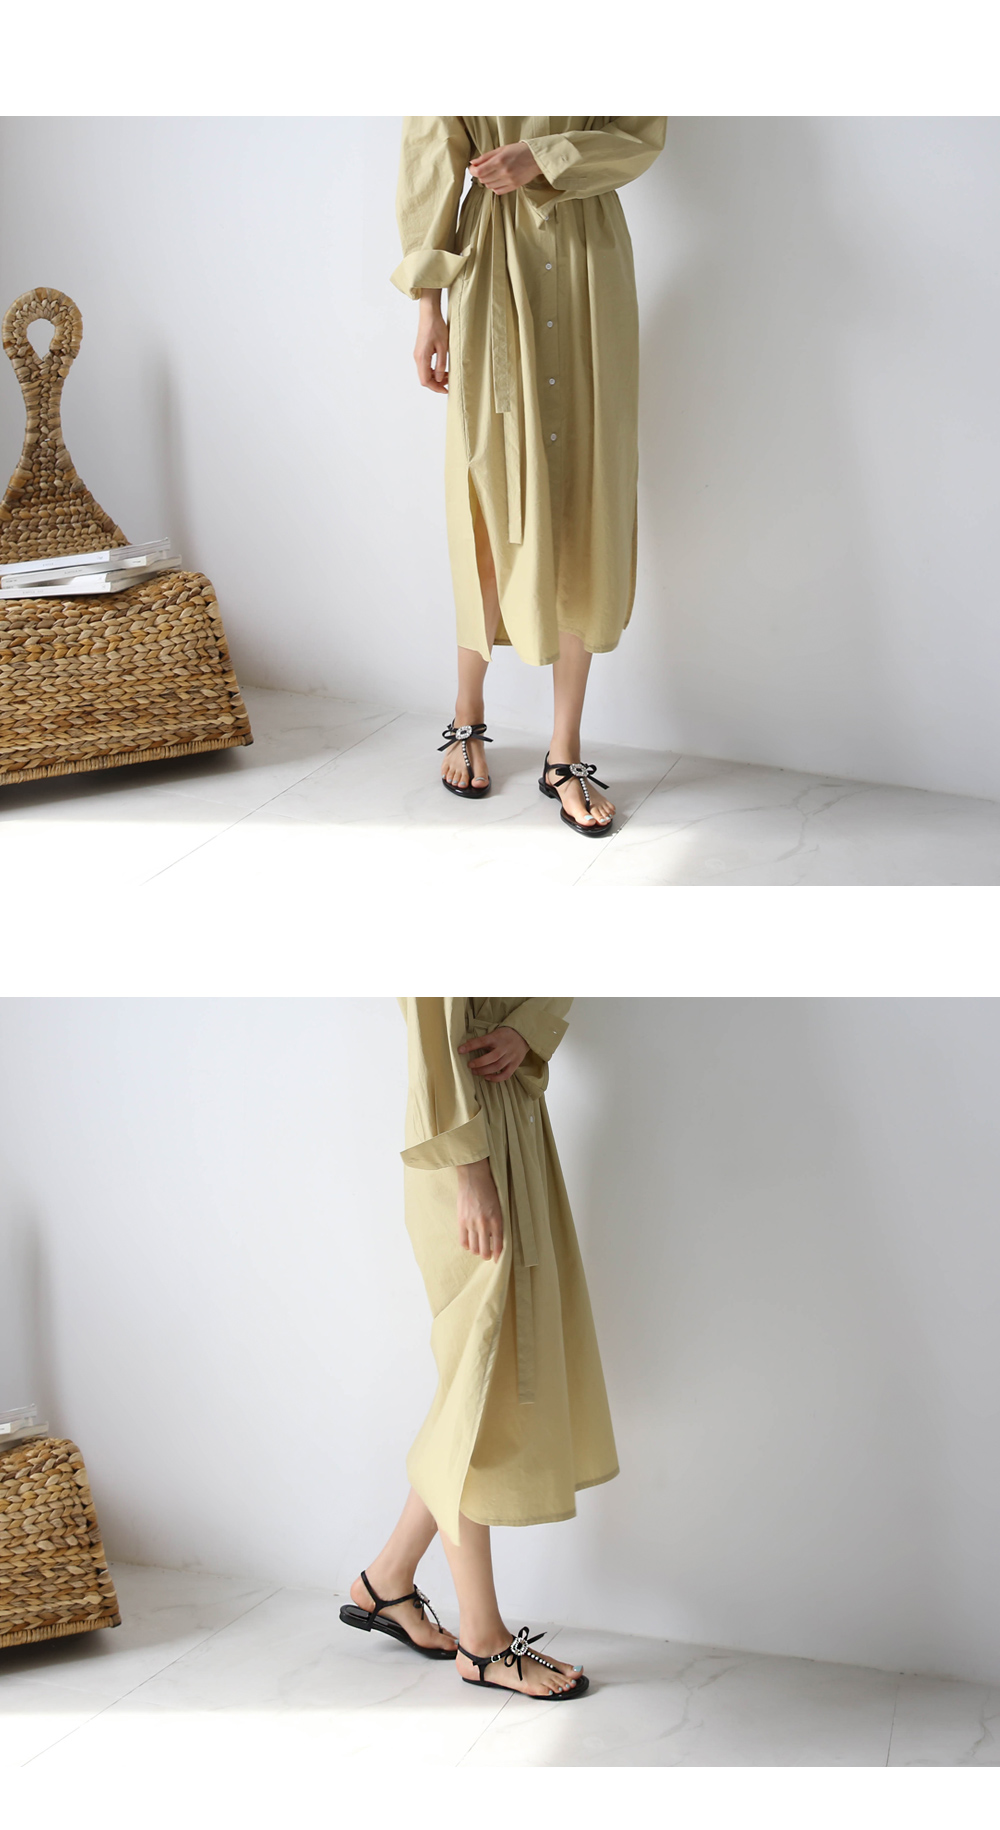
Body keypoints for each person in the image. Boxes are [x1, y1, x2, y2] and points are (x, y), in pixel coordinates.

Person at [392, 118, 667, 836]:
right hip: (491, 260)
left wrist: (544, 157)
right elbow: (430, 165)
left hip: (589, 261)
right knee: (489, 491)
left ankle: (564, 750)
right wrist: (428, 308)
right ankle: (467, 713)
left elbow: (640, 136)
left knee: (586, 492)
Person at [340, 998, 618, 1699]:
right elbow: (433, 1043)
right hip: (467, 1151)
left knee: (482, 1379)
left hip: (517, 1128)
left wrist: (526, 1029)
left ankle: (387, 1580)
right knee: (478, 1384)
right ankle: (483, 1641)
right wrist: (470, 1173)